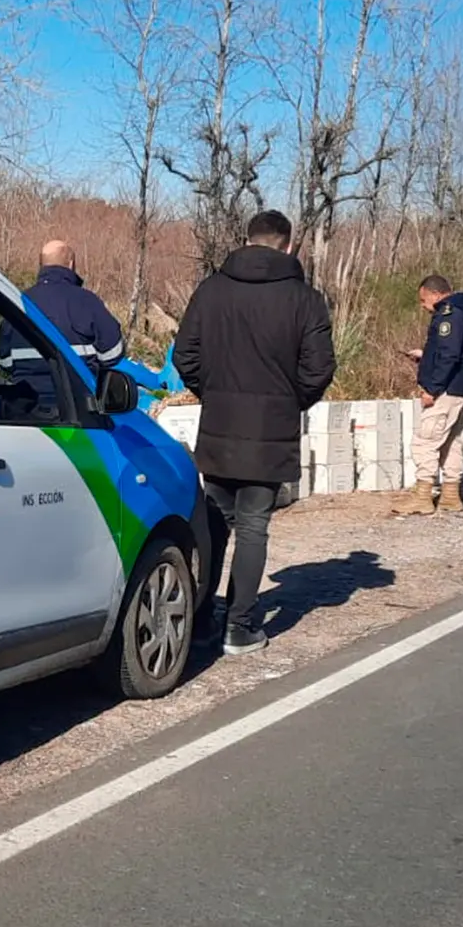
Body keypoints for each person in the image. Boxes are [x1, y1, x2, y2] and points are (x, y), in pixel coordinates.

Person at [174, 210, 336, 657]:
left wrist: (213, 391)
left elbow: (184, 354)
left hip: (221, 424)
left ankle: (203, 618)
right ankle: (239, 626)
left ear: (246, 240)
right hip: (271, 428)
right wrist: (289, 401)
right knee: (252, 527)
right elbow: (320, 367)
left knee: (215, 522)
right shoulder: (305, 299)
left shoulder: (211, 290)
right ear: (288, 245)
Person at [0, 239, 124, 404]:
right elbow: (113, 353)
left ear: (41, 265)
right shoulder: (87, 302)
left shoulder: (19, 303)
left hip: (25, 409)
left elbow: (5, 361)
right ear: (71, 264)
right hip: (78, 410)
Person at [398, 275, 463, 516]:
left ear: (435, 294)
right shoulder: (460, 313)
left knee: (426, 440)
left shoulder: (448, 316)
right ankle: (451, 494)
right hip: (458, 386)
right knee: (450, 441)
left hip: (446, 389)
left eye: (423, 300)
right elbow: (447, 351)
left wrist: (432, 388)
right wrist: (426, 355)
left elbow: (449, 355)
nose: (423, 305)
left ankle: (422, 496)